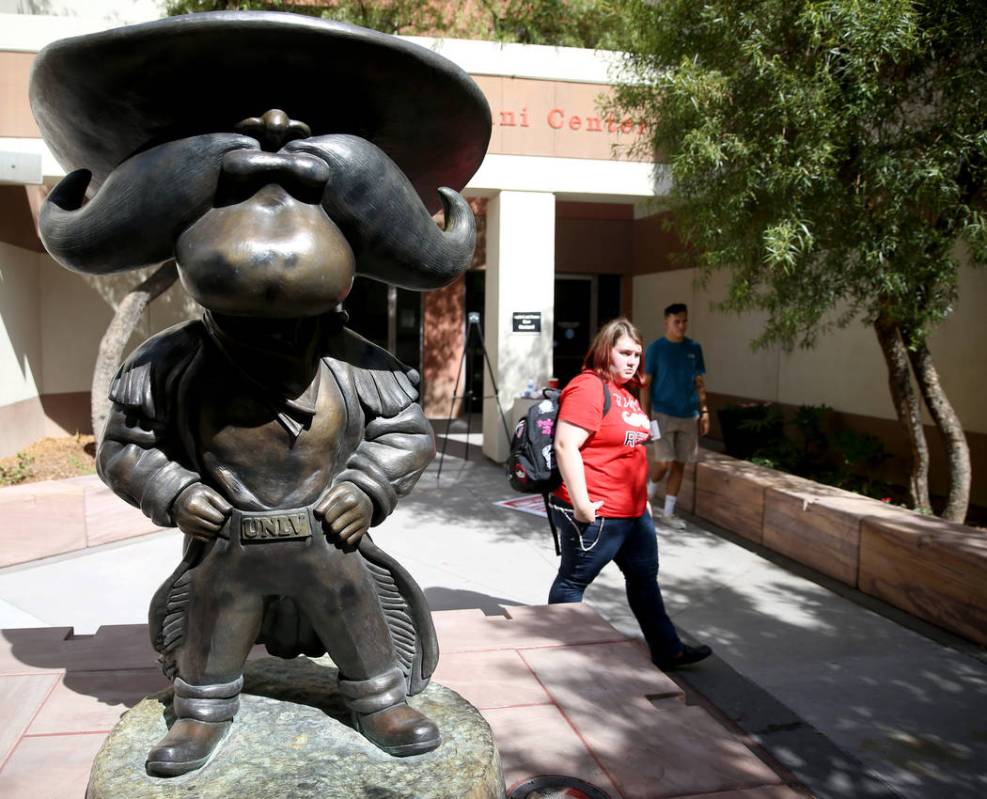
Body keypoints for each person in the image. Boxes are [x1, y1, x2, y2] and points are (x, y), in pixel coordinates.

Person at [547, 317, 711, 670]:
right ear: (606, 350)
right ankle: (562, 658)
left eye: (637, 354)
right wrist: (581, 505)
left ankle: (668, 650)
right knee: (573, 582)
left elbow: (633, 452)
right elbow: (565, 446)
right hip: (599, 511)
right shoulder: (588, 387)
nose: (633, 360)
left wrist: (645, 505)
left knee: (643, 579)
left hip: (634, 513)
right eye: (625, 352)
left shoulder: (625, 393)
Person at [643, 303, 709, 530]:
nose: (681, 325)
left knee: (680, 464)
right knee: (664, 462)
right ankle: (647, 496)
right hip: (661, 414)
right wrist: (644, 415)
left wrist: (704, 411)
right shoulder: (656, 348)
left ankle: (668, 512)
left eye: (684, 321)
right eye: (676, 321)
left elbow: (699, 382)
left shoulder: (694, 348)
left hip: (689, 415)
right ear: (667, 322)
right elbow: (645, 385)